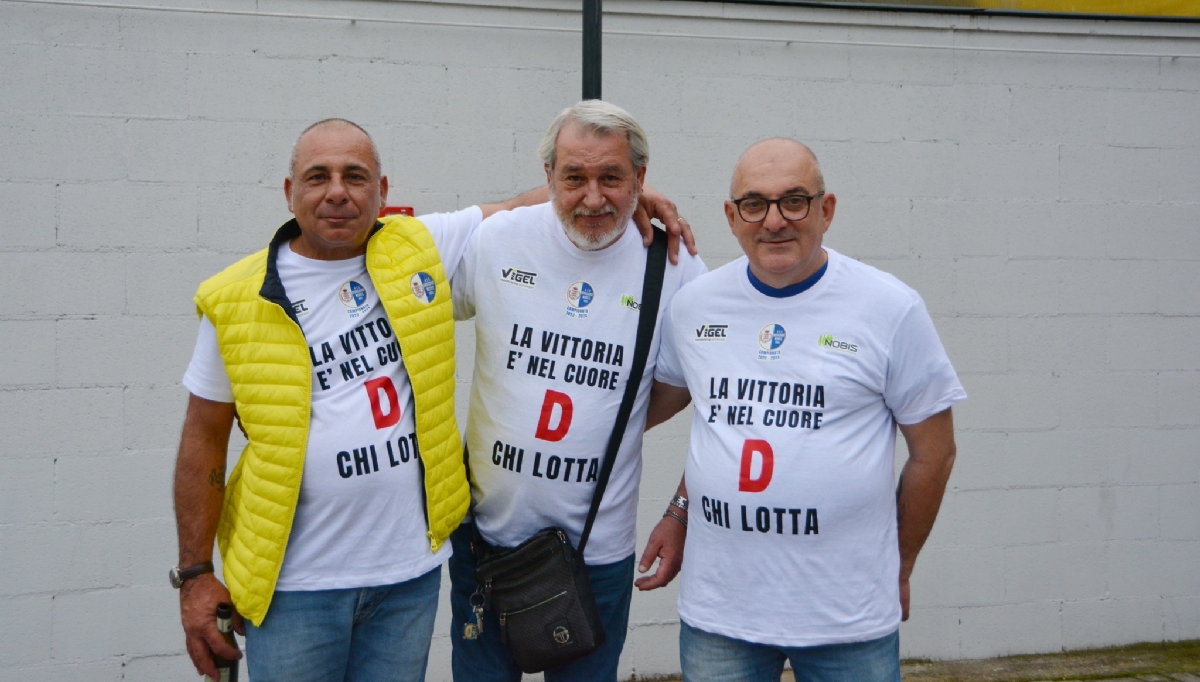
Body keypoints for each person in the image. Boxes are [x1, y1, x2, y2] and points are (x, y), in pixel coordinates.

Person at [172, 117, 689, 682]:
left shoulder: (415, 251)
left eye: (355, 176)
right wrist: (196, 573)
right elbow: (202, 439)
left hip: (408, 577)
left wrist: (628, 190)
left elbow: (525, 201)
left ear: (383, 191)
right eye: (317, 176)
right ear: (289, 191)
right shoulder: (237, 297)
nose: (338, 191)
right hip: (296, 585)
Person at [637, 138, 964, 682]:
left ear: (826, 209)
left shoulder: (890, 307)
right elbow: (720, 428)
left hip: (847, 618)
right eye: (754, 204)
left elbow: (935, 454)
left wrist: (898, 565)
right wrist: (678, 511)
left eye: (794, 201)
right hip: (722, 614)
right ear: (731, 216)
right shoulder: (695, 306)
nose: (774, 221)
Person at [448, 100, 707, 682]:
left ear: (641, 179)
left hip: (597, 556)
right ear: (548, 179)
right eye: (575, 178)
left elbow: (688, 393)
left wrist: (601, 420)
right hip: (484, 545)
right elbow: (396, 262)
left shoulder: (675, 267)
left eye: (612, 177)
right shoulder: (497, 240)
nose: (593, 198)